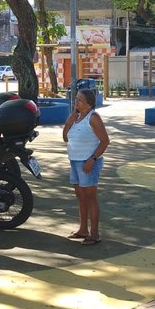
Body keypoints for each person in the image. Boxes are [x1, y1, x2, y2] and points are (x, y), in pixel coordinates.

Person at [63, 89, 110, 245]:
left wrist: (93, 159)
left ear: (89, 103)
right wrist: (68, 123)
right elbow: (65, 138)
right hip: (74, 161)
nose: (76, 102)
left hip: (88, 162)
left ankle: (94, 233)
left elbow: (105, 141)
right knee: (81, 197)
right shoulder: (75, 117)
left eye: (80, 100)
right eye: (76, 99)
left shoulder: (93, 118)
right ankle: (83, 229)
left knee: (90, 197)